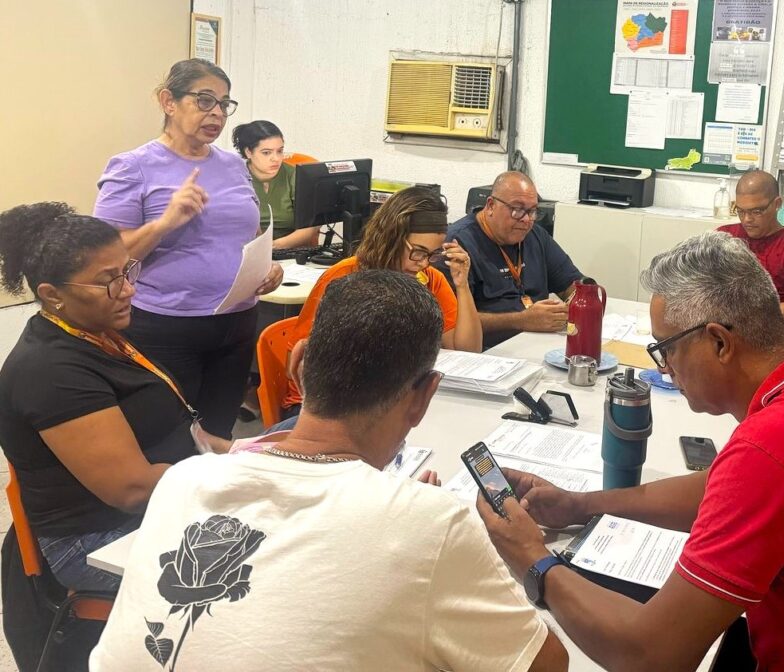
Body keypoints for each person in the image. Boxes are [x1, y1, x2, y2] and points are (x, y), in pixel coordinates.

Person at [475, 231, 784, 671]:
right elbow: (716, 489)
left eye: (665, 348)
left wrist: (532, 559)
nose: (665, 368)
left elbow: (650, 656)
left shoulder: (777, 445)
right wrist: (581, 505)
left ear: (718, 342)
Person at [90, 270, 568, 672]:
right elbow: (546, 665)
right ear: (425, 396)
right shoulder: (432, 522)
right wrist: (528, 556)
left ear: (298, 363)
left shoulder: (184, 480)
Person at [0, 203, 229, 592]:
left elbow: (187, 433)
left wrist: (248, 452)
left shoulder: (100, 332)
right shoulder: (51, 371)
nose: (128, 289)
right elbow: (132, 491)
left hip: (161, 501)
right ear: (52, 295)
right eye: (109, 281)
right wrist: (230, 474)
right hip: (96, 541)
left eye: (127, 271)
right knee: (261, 567)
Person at [93, 58, 283, 440]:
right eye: (205, 100)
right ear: (169, 102)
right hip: (166, 326)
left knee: (218, 433)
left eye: (224, 104)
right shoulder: (133, 166)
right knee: (169, 438)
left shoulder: (234, 166)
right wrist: (165, 222)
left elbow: (248, 232)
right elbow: (105, 256)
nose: (217, 113)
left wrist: (269, 266)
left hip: (236, 323)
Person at [279, 186, 481, 414]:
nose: (424, 263)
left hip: (389, 399)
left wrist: (462, 285)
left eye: (432, 255)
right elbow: (298, 364)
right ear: (391, 239)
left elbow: (468, 352)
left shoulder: (430, 279)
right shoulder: (344, 277)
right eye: (418, 252)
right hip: (324, 405)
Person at [443, 171, 582, 348]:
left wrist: (578, 301)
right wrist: (521, 320)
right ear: (491, 205)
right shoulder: (457, 244)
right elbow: (452, 323)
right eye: (517, 210)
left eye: (532, 211)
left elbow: (573, 284)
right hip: (489, 350)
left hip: (538, 343)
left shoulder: (535, 235)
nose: (526, 220)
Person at [717, 170, 784, 322]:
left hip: (773, 325)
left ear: (777, 204)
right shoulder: (724, 236)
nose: (747, 219)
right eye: (740, 211)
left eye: (756, 211)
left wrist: (754, 313)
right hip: (723, 323)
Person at [231, 119, 319, 250]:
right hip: (244, 251)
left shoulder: (296, 176)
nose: (276, 158)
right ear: (249, 152)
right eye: (266, 153)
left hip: (289, 251)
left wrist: (272, 247)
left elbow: (309, 229)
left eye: (279, 151)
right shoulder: (235, 178)